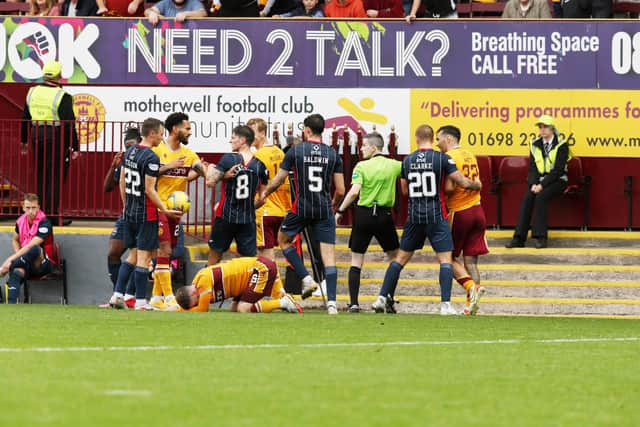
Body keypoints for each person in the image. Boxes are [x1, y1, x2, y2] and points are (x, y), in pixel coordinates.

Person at [371, 124, 481, 315]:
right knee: (445, 260)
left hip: (415, 216)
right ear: (432, 138)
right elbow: (461, 181)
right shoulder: (442, 158)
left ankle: (382, 297)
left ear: (416, 139)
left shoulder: (407, 161)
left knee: (400, 259)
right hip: (436, 215)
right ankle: (445, 305)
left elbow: (404, 191)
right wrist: (476, 185)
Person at [257, 113, 345, 315]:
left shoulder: (296, 151)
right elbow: (340, 190)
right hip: (323, 208)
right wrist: (332, 205)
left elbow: (279, 179)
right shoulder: (333, 155)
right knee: (329, 256)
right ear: (322, 130)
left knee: (283, 239)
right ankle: (332, 304)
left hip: (302, 206)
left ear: (306, 130)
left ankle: (306, 278)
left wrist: (265, 194)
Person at [108, 117, 182, 310]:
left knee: (131, 256)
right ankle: (141, 302)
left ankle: (117, 295)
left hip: (130, 213)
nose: (161, 137)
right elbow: (150, 189)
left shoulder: (130, 151)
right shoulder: (151, 157)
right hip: (146, 215)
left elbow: (122, 180)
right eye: (160, 133)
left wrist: (126, 205)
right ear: (151, 134)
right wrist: (164, 210)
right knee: (144, 258)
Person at [335, 132, 401, 313]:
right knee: (395, 257)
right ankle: (387, 297)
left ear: (374, 147)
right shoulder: (394, 165)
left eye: (364, 145)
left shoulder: (361, 166)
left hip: (363, 215)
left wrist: (340, 211)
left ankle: (354, 303)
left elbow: (354, 191)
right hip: (384, 215)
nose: (361, 148)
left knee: (356, 259)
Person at [149, 112, 207, 310]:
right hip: (160, 207)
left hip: (176, 211)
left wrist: (208, 173)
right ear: (175, 129)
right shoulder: (158, 150)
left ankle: (156, 298)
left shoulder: (188, 154)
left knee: (168, 252)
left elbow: (198, 168)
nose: (190, 132)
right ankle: (169, 297)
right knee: (164, 250)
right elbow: (148, 172)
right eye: (187, 128)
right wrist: (169, 166)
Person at [436, 125, 488, 316]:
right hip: (478, 209)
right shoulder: (469, 155)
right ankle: (470, 305)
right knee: (471, 261)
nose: (437, 143)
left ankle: (470, 288)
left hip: (460, 211)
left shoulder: (450, 157)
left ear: (448, 139)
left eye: (439, 138)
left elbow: (450, 188)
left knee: (448, 256)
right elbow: (477, 182)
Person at [21, 60, 79, 226]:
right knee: (55, 177)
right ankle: (52, 216)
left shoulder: (32, 92)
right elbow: (69, 123)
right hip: (55, 136)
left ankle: (39, 215)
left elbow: (25, 117)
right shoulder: (62, 96)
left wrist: (24, 140)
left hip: (36, 136)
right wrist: (74, 146)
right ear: (59, 76)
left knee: (41, 175)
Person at [206, 125, 268, 266]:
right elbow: (263, 198)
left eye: (233, 138)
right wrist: (249, 208)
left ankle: (204, 286)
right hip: (247, 219)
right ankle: (246, 287)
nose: (230, 141)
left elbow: (210, 182)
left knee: (214, 257)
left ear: (242, 140)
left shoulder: (229, 159)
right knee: (248, 262)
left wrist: (212, 169)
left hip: (225, 216)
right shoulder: (260, 166)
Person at [506, 115, 570, 250]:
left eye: (545, 127)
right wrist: (533, 184)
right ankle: (518, 238)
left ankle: (541, 237)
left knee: (541, 198)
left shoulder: (562, 145)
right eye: (540, 127)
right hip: (539, 181)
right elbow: (532, 168)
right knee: (528, 198)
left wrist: (541, 185)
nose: (542, 130)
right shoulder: (535, 144)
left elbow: (558, 170)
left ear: (552, 128)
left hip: (558, 180)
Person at [100, 126, 142, 309]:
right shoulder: (125, 161)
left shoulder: (147, 159)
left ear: (140, 143)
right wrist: (113, 166)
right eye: (127, 146)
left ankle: (128, 296)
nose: (129, 149)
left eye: (132, 145)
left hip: (143, 215)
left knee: (139, 256)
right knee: (113, 253)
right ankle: (119, 293)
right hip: (126, 215)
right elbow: (107, 187)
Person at [175, 256, 303, 313]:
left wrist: (179, 310)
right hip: (249, 276)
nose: (198, 302)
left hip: (259, 268)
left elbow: (202, 310)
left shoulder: (202, 281)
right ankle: (283, 301)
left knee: (244, 308)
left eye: (195, 301)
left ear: (192, 293)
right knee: (234, 308)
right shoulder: (198, 283)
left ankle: (284, 303)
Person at [247, 117, 291, 262]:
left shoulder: (258, 156)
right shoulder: (279, 152)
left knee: (266, 256)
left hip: (264, 210)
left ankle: (274, 284)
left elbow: (254, 184)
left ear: (262, 133)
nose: (249, 137)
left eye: (252, 132)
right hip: (281, 209)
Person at [0, 194, 55, 304]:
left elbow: (31, 246)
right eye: (28, 208)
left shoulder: (45, 223)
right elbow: (15, 239)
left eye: (33, 208)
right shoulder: (20, 222)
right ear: (23, 208)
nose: (31, 211)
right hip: (26, 263)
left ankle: (4, 270)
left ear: (38, 207)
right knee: (16, 272)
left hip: (42, 265)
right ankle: (11, 306)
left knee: (34, 249)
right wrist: (18, 254)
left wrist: (10, 260)